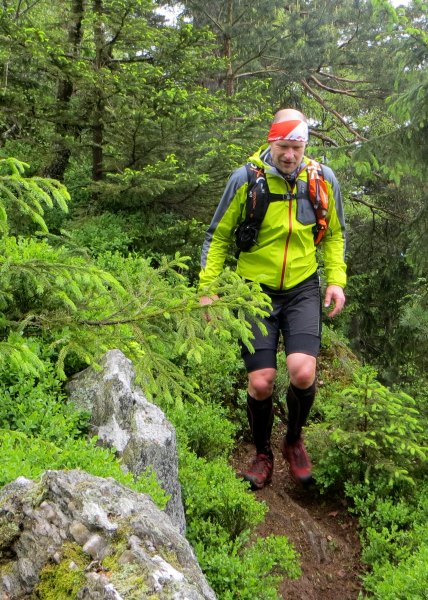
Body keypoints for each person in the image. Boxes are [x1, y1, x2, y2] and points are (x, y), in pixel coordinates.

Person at [199, 108, 346, 490]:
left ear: (305, 146)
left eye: (297, 147)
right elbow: (217, 236)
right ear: (271, 141)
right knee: (262, 381)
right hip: (255, 290)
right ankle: (262, 453)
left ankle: (293, 439)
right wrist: (207, 288)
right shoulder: (246, 179)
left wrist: (336, 281)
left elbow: (334, 236)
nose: (290, 155)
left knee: (302, 371)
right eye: (283, 146)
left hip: (301, 287)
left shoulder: (321, 179)